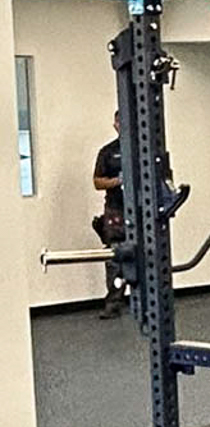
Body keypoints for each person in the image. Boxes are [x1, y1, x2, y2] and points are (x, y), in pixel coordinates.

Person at [91, 111, 127, 318]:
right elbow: (97, 182)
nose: (122, 126)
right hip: (116, 209)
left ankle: (149, 301)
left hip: (143, 209)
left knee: (148, 251)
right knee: (115, 255)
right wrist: (118, 181)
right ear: (115, 125)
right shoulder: (107, 152)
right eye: (119, 122)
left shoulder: (145, 150)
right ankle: (113, 304)